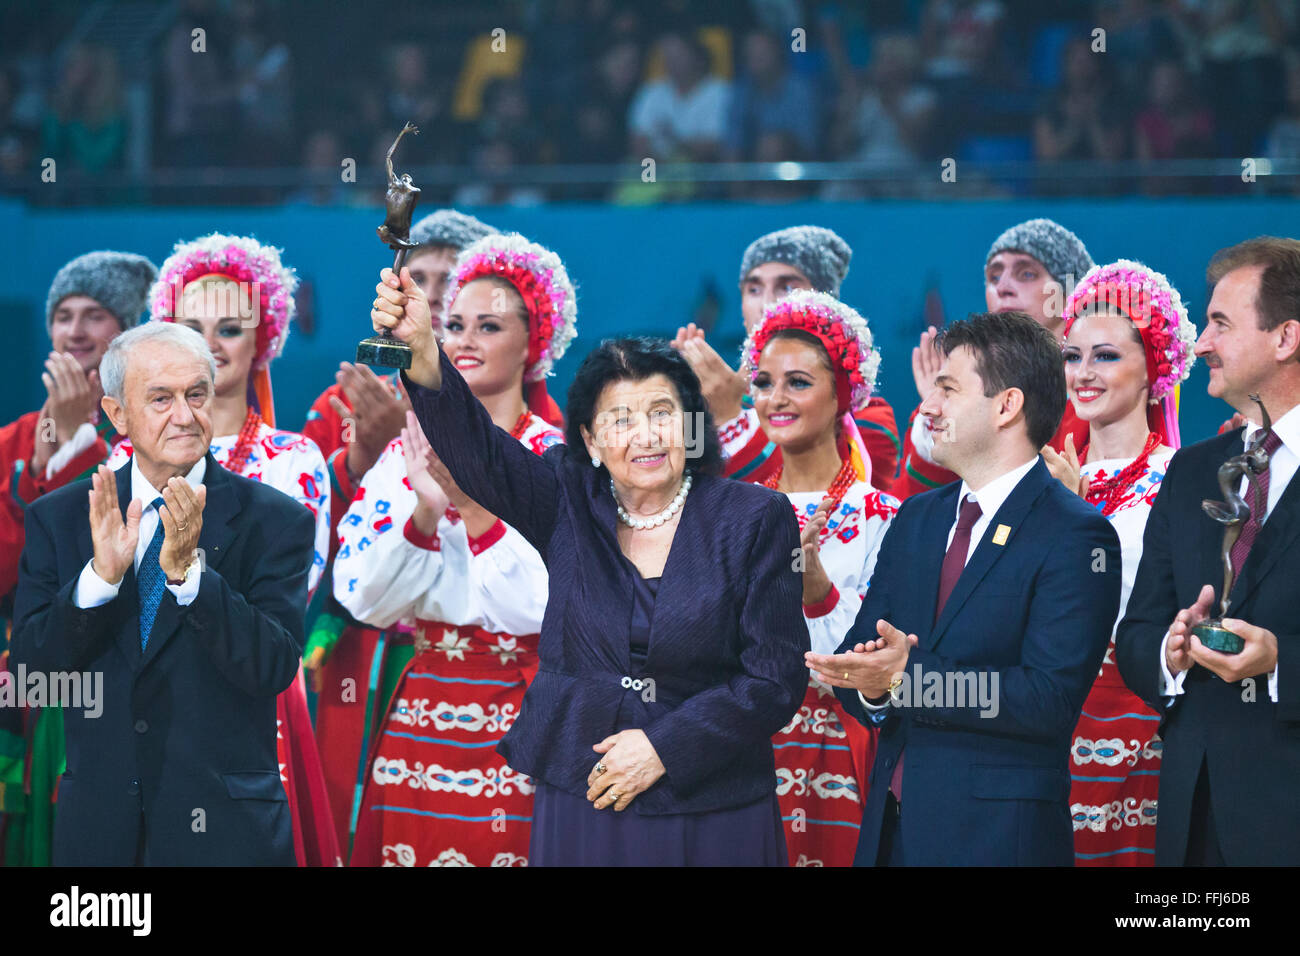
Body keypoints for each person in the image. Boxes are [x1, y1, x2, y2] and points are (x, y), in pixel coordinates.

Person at [369, 267, 808, 865]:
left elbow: (774, 679)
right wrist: (422, 349)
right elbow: (478, 449)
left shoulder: (754, 517)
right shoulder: (566, 496)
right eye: (620, 420)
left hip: (711, 803)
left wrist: (663, 748)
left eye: (662, 413)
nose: (646, 436)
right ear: (592, 442)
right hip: (588, 798)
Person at [809, 311, 1121, 866]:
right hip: (890, 834)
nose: (927, 407)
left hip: (998, 840)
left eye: (947, 390)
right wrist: (876, 687)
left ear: (1007, 406)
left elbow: (1046, 699)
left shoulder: (1075, 533)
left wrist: (908, 679)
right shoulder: (917, 520)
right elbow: (864, 662)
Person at [11, 322, 314, 865]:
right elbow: (34, 678)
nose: (184, 414)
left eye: (196, 394)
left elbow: (274, 667)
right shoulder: (60, 518)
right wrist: (99, 580)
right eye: (160, 398)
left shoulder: (276, 520)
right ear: (117, 414)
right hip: (99, 835)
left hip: (227, 834)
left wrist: (192, 582)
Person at [104, 233, 337, 866]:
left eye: (231, 327)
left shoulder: (295, 460)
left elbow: (288, 601)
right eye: (189, 326)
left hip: (251, 700)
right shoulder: (120, 458)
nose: (208, 344)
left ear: (267, 339)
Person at [338, 233, 571, 866]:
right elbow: (363, 599)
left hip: (526, 714)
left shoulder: (560, 460)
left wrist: (471, 510)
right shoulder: (404, 450)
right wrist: (425, 510)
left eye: (488, 325)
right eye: (455, 324)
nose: (464, 340)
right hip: (421, 711)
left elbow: (549, 609)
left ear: (535, 342)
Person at [301, 208, 496, 852]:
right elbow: (311, 545)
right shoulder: (343, 403)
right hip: (365, 650)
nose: (435, 296)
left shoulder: (532, 413)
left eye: (452, 280)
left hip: (479, 665)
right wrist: (365, 455)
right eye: (419, 277)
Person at [1116, 237, 1300, 866]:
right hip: (1194, 818)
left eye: (1220, 323)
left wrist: (1279, 662)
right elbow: (1138, 629)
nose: (1200, 344)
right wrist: (1168, 652)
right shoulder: (1192, 472)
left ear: (1285, 338)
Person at [0, 249, 156, 867]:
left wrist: (74, 448)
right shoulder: (14, 438)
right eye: (64, 315)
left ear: (129, 331)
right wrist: (43, 457)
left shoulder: (154, 429)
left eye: (96, 315)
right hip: (36, 673)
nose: (76, 330)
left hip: (125, 677)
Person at [1048, 260, 1198, 865]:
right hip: (1048, 718)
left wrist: (1074, 518)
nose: (1083, 374)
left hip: (1145, 717)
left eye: (1105, 356)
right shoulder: (1039, 476)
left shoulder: (1183, 480)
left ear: (1154, 368)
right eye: (1072, 355)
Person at [742, 290, 899, 866]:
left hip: (842, 757)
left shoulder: (887, 518)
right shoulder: (728, 513)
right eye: (763, 382)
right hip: (744, 753)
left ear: (844, 394)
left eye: (798, 383)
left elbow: (876, 665)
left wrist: (816, 593)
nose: (775, 399)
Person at [673, 225, 900, 489]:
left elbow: (804, 497)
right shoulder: (708, 399)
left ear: (825, 301)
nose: (767, 303)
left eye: (787, 287)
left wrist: (730, 417)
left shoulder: (865, 419)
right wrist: (689, 407)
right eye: (754, 289)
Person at [893, 218, 1095, 499]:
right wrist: (948, 409)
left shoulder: (1097, 393)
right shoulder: (957, 397)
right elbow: (918, 518)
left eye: (1026, 274)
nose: (1003, 288)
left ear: (1071, 293)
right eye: (994, 277)